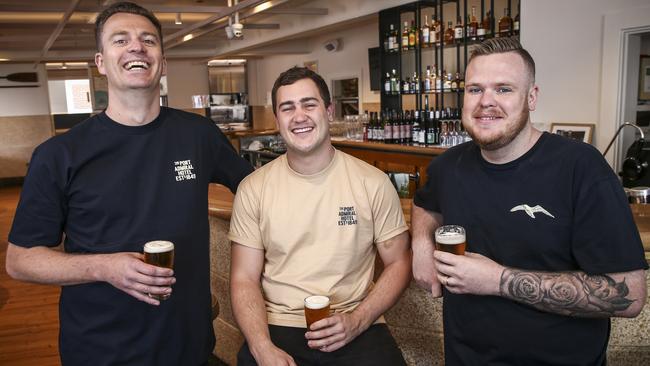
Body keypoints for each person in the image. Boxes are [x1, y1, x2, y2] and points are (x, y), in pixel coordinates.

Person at [5, 2, 252, 365]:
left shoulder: (198, 135)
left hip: (189, 344)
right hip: (101, 349)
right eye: (120, 40)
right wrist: (103, 267)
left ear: (162, 62)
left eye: (148, 40)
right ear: (101, 62)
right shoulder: (59, 154)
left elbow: (257, 186)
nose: (136, 47)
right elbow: (20, 260)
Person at [412, 37, 648, 365]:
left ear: (532, 97)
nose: (486, 102)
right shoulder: (447, 166)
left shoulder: (581, 167)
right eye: (475, 89)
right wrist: (421, 246)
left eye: (504, 89)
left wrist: (497, 281)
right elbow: (425, 204)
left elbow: (629, 295)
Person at [229, 67, 411, 366]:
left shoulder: (373, 182)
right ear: (278, 120)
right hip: (278, 324)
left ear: (328, 111)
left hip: (355, 323)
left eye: (308, 104)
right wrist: (261, 347)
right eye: (287, 108)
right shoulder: (254, 188)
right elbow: (243, 277)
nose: (299, 116)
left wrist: (358, 320)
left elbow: (399, 261)